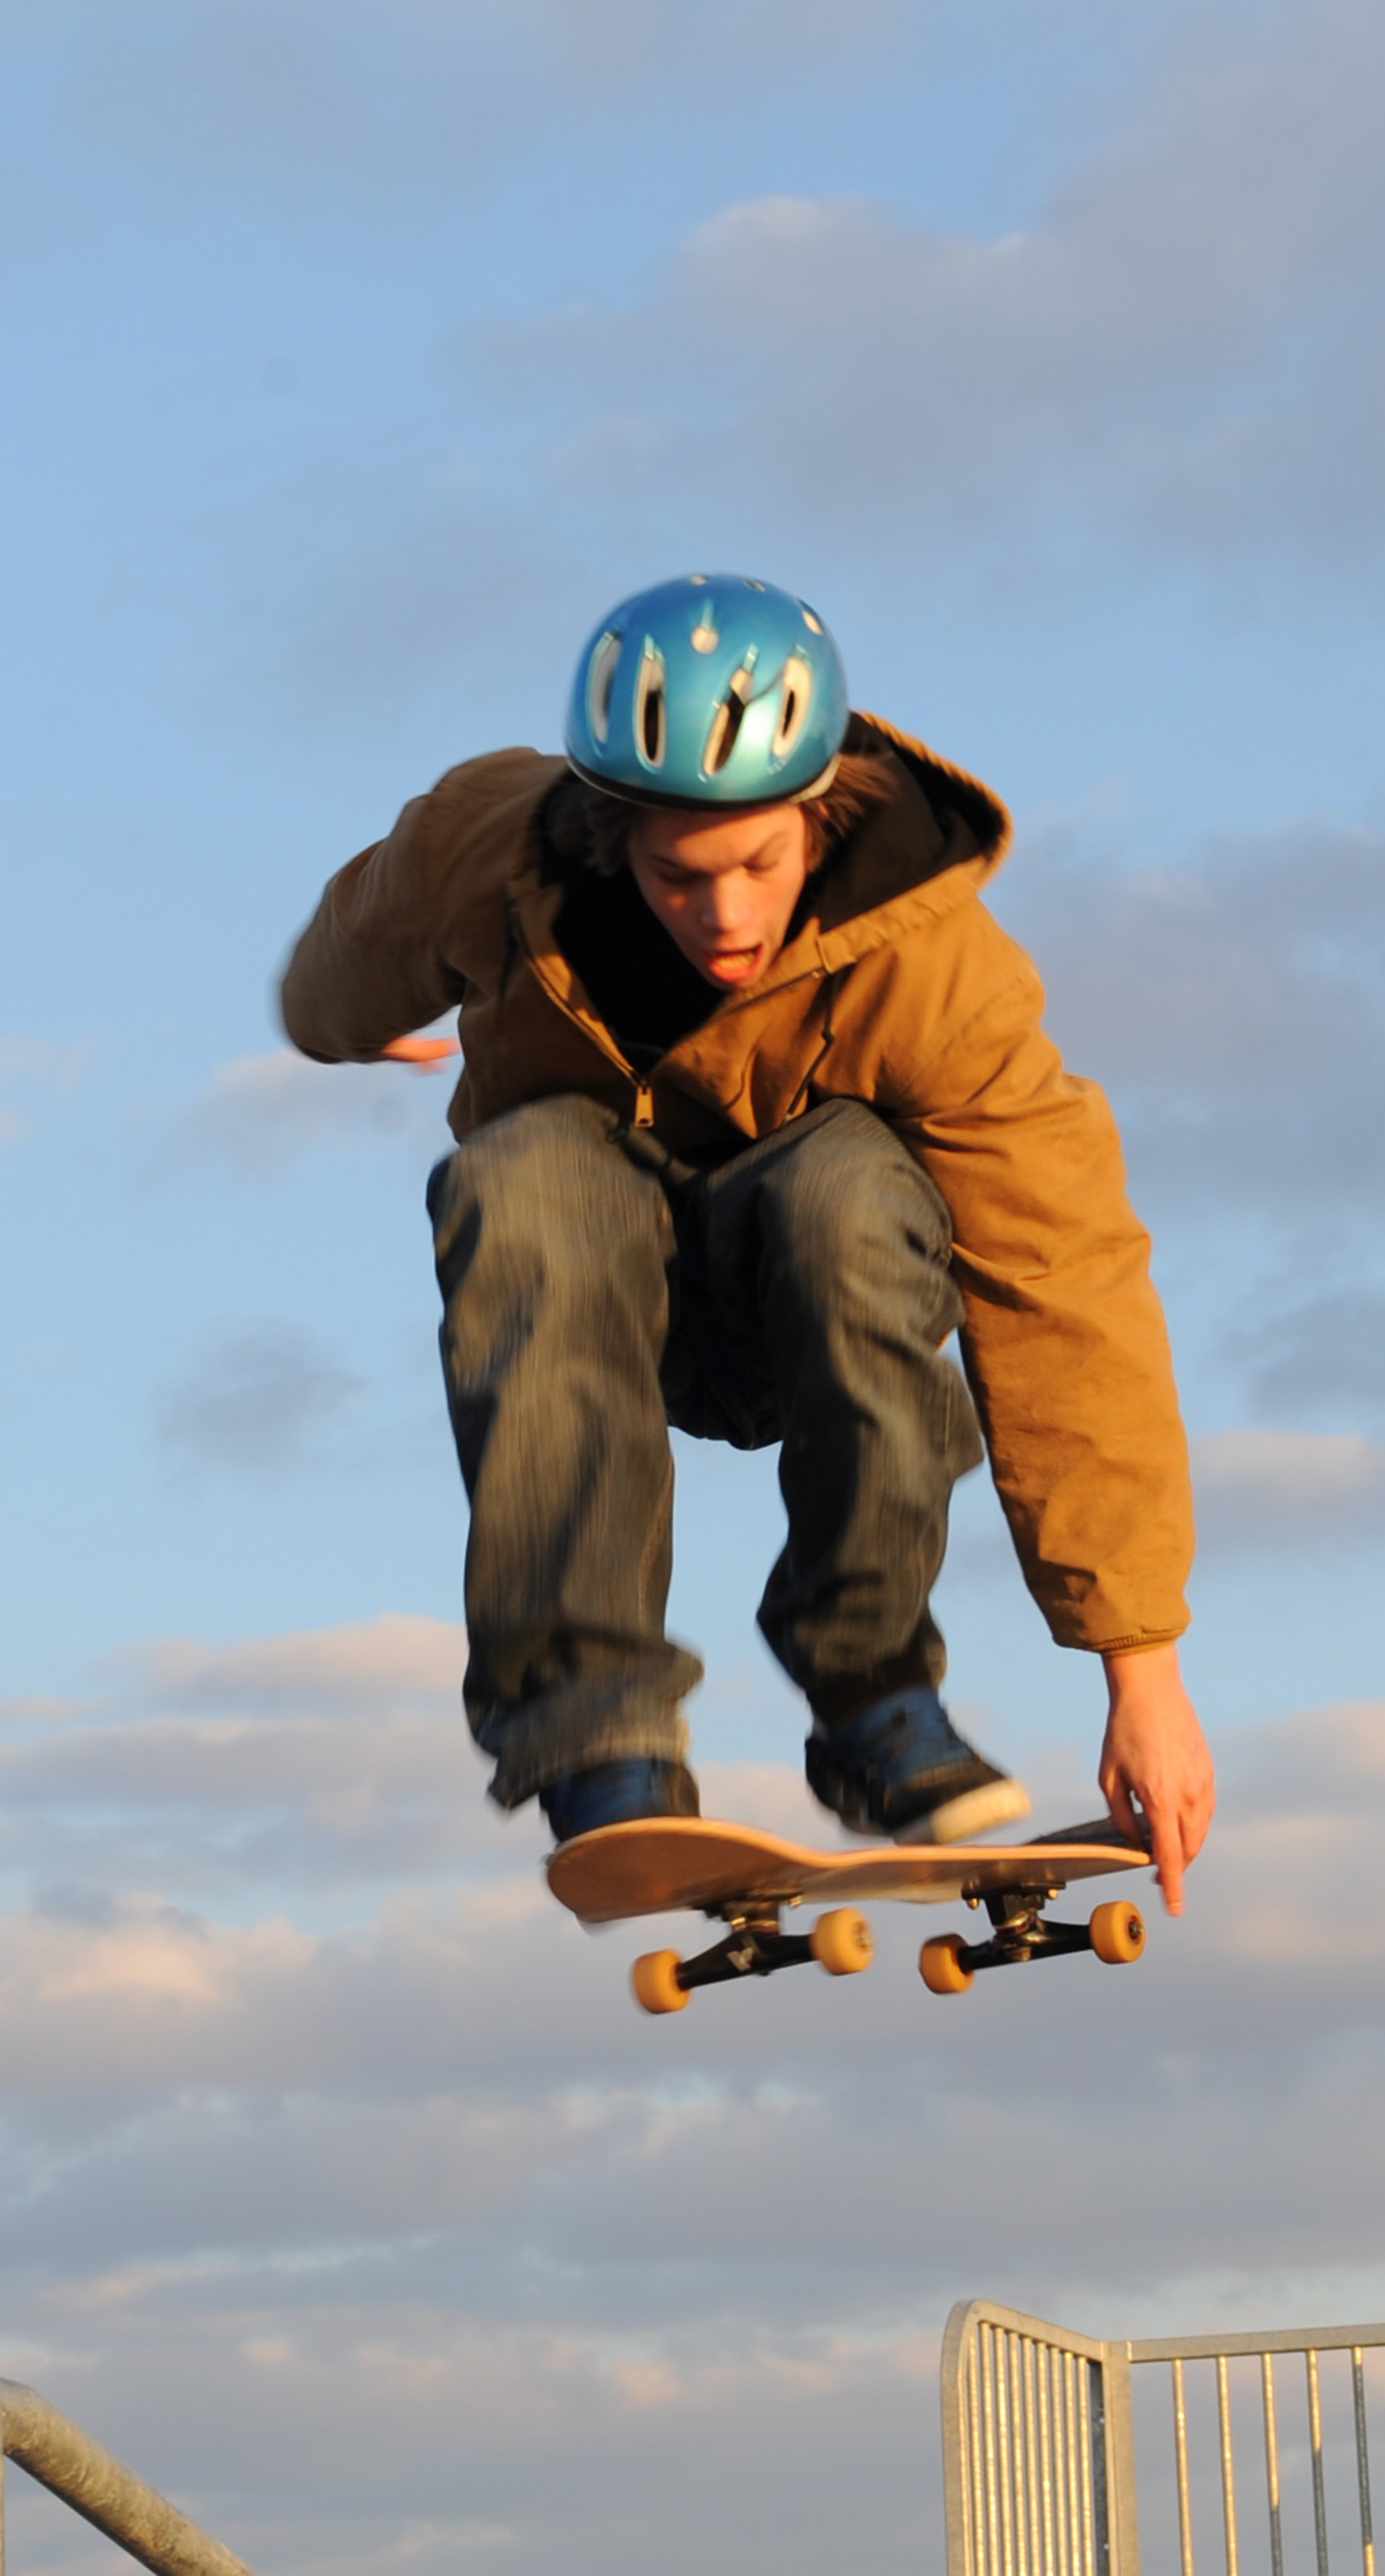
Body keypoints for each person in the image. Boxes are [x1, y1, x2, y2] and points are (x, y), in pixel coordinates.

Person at [279, 571, 1214, 1910]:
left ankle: (875, 1693)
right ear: (612, 834)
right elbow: (343, 963)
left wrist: (1141, 1664)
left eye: (760, 867)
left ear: (821, 816)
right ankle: (594, 1731)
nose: (724, 917)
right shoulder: (485, 849)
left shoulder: (937, 973)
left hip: (819, 1302)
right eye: (679, 875)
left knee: (848, 1181)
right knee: (525, 1173)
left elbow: (1063, 1284)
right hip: (589, 1301)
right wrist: (356, 1023)